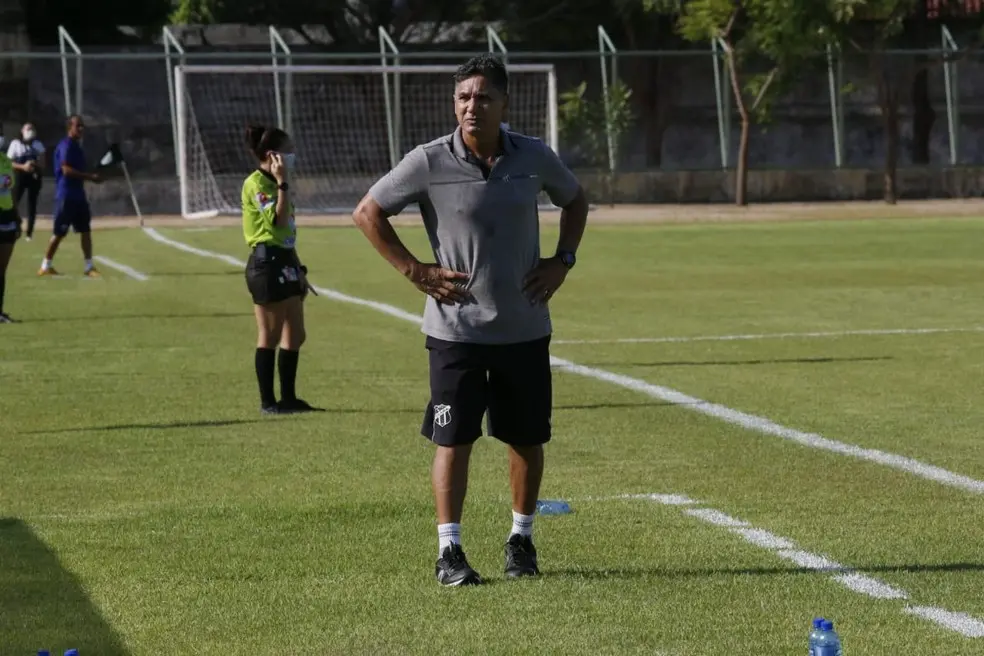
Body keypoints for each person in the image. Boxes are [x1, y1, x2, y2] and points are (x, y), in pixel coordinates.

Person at [352, 54, 589, 586]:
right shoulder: (428, 161)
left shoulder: (533, 156)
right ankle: (450, 552)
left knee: (525, 438)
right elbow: (367, 213)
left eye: (483, 97)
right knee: (453, 439)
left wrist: (563, 260)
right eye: (463, 97)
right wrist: (415, 270)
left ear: (504, 103)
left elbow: (575, 200)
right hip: (454, 331)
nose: (471, 107)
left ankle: (521, 541)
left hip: (523, 327)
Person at [242, 124, 322, 415]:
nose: (293, 155)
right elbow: (276, 222)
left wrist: (298, 267)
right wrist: (282, 183)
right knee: (270, 335)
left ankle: (289, 398)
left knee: (296, 334)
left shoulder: (277, 182)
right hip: (266, 264)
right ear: (272, 155)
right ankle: (268, 402)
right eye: (288, 150)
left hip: (285, 260)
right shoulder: (256, 183)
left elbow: (286, 233)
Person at [39, 115, 102, 277]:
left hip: (79, 196)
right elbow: (66, 170)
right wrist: (89, 177)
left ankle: (89, 266)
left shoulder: (77, 147)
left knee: (85, 230)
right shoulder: (66, 146)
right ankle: (45, 265)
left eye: (82, 126)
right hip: (66, 196)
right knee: (59, 233)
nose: (81, 129)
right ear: (69, 127)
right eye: (77, 126)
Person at [7, 122, 45, 241]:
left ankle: (29, 233)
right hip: (20, 176)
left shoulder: (38, 144)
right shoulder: (15, 144)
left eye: (32, 129)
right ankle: (12, 226)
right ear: (22, 131)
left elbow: (43, 163)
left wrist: (34, 164)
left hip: (34, 176)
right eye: (28, 129)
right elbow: (9, 163)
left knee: (32, 205)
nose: (30, 131)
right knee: (14, 201)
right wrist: (23, 166)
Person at [0, 137, 21, 323]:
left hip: (7, 217)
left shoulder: (6, 161)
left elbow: (11, 190)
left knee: (2, 269)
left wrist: (17, 217)